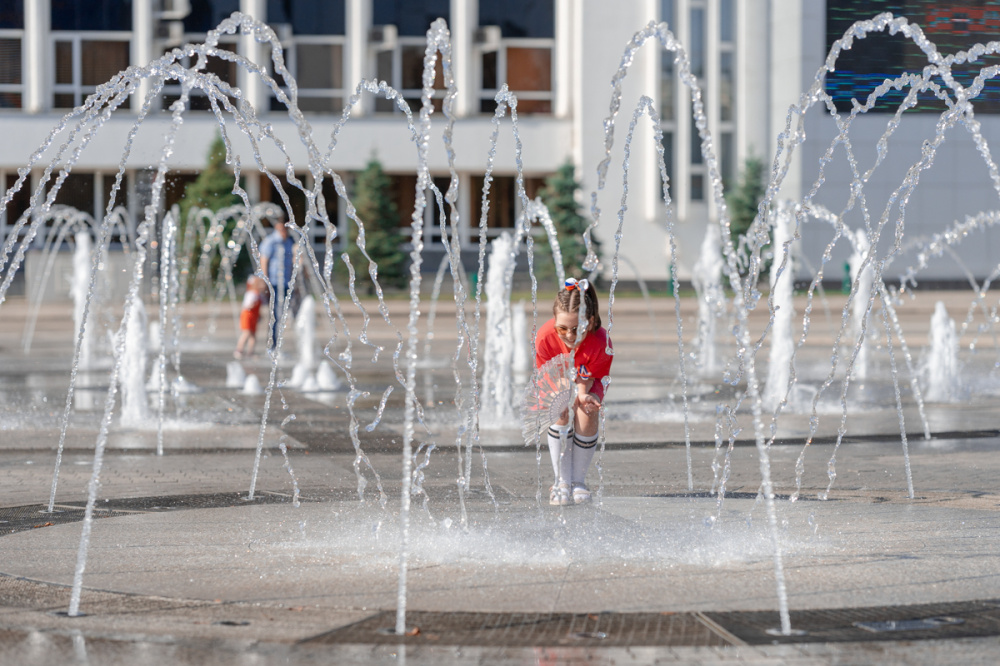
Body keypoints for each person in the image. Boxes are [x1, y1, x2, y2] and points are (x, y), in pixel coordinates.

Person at [534, 277, 613, 505]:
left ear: (590, 320)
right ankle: (561, 481)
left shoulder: (601, 342)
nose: (569, 335)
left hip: (590, 380)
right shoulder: (545, 338)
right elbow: (549, 376)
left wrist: (582, 393)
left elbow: (589, 377)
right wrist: (567, 395)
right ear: (554, 321)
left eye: (577, 329)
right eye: (562, 328)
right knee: (560, 408)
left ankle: (578, 481)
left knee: (587, 410)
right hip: (556, 380)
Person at [258, 220, 300, 351]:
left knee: (286, 314)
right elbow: (264, 261)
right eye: (281, 230)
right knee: (275, 314)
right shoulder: (271, 241)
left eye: (285, 230)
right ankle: (272, 346)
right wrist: (265, 281)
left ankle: (280, 346)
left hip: (287, 282)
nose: (283, 232)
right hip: (274, 283)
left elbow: (293, 261)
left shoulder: (289, 242)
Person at [234, 276, 266, 359]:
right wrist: (252, 305)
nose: (264, 286)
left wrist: (259, 315)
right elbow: (246, 306)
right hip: (247, 316)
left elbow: (258, 307)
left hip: (253, 317)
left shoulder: (258, 294)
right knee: (246, 333)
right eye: (262, 284)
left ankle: (250, 352)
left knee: (253, 335)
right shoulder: (252, 293)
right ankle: (239, 350)